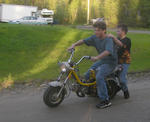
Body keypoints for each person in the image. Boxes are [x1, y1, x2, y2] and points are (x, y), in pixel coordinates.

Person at [68, 21, 117, 109]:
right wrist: (74, 45)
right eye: (95, 30)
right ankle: (88, 90)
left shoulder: (108, 40)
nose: (96, 32)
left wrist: (97, 57)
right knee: (88, 73)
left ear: (104, 30)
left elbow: (108, 51)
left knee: (99, 77)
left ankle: (105, 100)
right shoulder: (95, 38)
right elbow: (83, 41)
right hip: (102, 60)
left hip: (110, 62)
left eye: (98, 30)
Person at [107, 24, 131, 99]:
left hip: (124, 62)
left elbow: (121, 45)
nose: (116, 32)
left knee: (122, 79)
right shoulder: (117, 38)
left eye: (118, 31)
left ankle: (125, 90)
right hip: (115, 61)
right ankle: (115, 87)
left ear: (123, 32)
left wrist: (113, 38)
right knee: (109, 74)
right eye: (116, 30)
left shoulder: (127, 40)